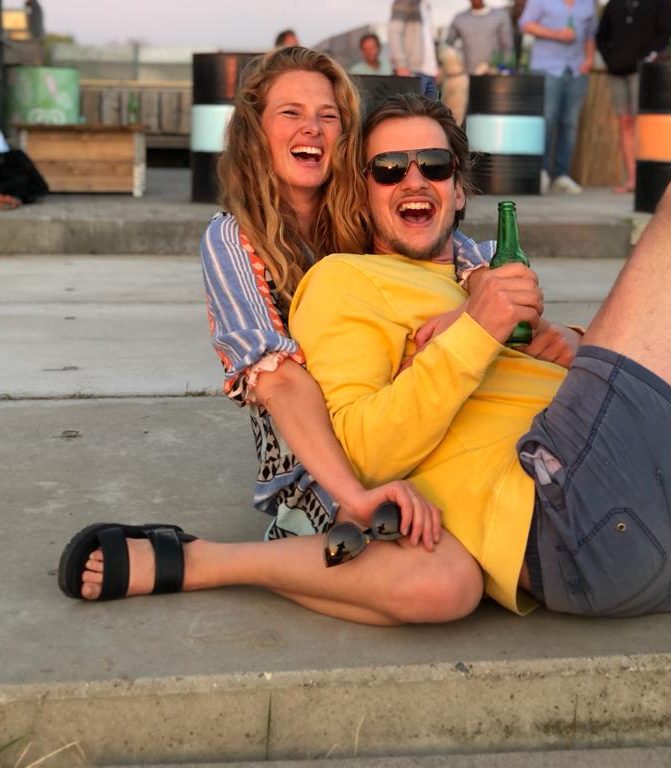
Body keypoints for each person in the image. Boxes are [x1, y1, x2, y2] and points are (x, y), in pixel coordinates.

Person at [62, 92, 671, 624]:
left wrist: (572, 348)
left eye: (434, 165)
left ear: (459, 191)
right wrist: (475, 331)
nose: (413, 181)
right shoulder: (344, 282)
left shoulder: (476, 279)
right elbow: (361, 453)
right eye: (387, 169)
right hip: (567, 510)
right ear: (362, 195)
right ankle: (201, 559)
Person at [58, 51, 492, 618]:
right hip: (316, 454)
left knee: (463, 561)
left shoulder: (370, 204)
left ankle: (328, 563)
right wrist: (352, 494)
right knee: (436, 583)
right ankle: (202, 560)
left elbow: (462, 252)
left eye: (328, 116)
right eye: (291, 113)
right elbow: (278, 379)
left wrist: (478, 296)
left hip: (404, 421)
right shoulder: (234, 238)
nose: (311, 128)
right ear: (255, 132)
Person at [596, 0, 671, 193]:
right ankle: (631, 178)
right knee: (625, 123)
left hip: (644, 72)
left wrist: (648, 58)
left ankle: (647, 180)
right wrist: (611, 60)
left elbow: (665, 33)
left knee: (644, 125)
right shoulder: (616, 2)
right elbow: (601, 36)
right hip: (617, 72)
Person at [519, 0, 597, 195]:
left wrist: (589, 59)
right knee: (547, 120)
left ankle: (561, 174)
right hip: (547, 68)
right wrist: (556, 34)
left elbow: (590, 35)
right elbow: (525, 24)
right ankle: (541, 173)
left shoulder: (587, 2)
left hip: (576, 70)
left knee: (570, 123)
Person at [388, 0, 440, 99]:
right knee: (415, 112)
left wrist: (435, 66)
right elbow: (394, 31)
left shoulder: (423, 0)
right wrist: (401, 64)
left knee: (431, 112)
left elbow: (427, 38)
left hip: (428, 74)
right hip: (412, 73)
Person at [446, 0, 514, 74]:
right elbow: (448, 45)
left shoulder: (500, 16)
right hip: (468, 76)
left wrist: (503, 70)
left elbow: (507, 47)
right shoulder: (459, 19)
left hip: (494, 76)